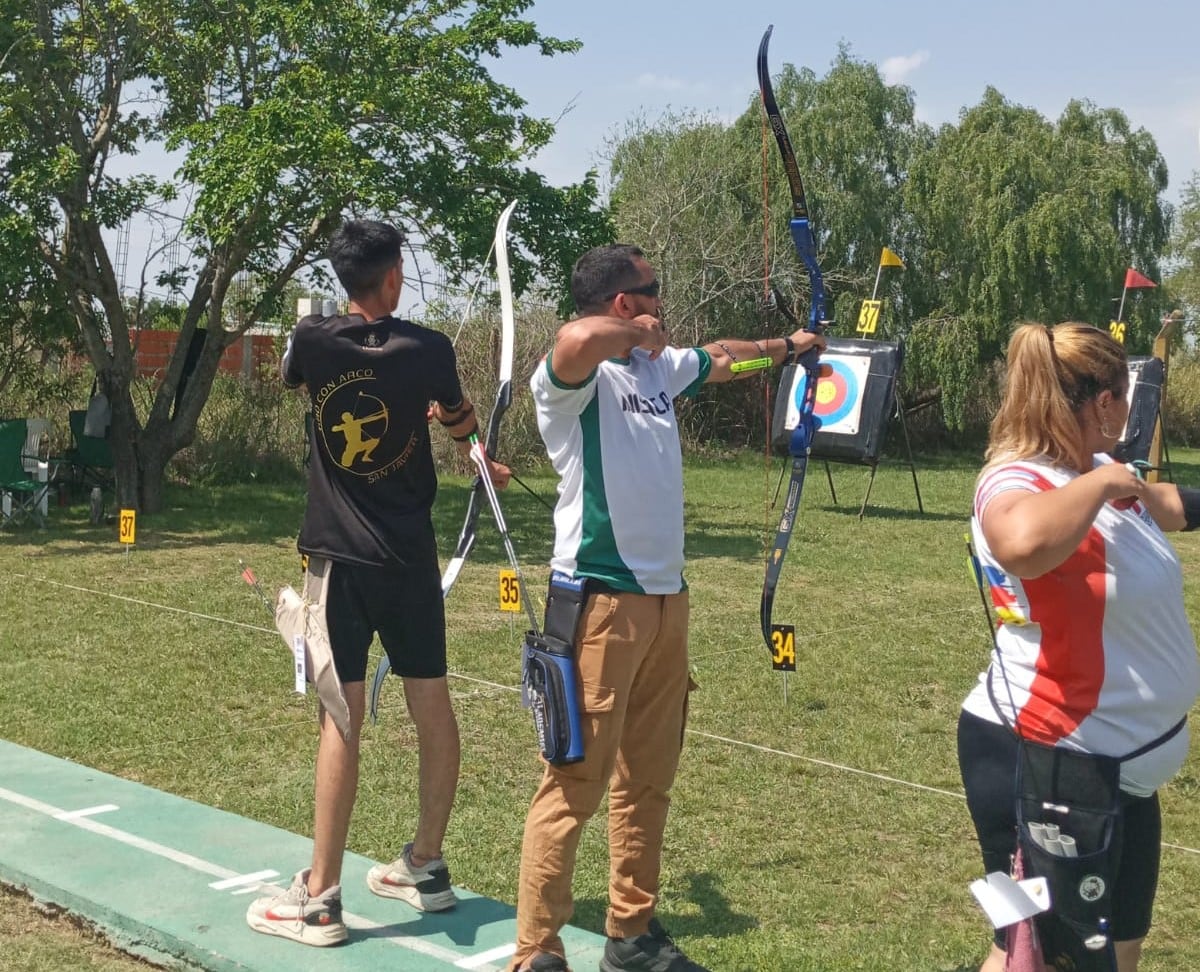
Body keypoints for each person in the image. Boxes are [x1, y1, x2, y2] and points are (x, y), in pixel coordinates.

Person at [508, 243, 827, 972]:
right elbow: (574, 338)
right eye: (654, 290)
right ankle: (536, 950)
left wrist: (788, 349)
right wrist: (640, 335)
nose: (663, 301)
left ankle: (631, 932)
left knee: (648, 778)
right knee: (573, 783)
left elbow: (721, 357)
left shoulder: (656, 368)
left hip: (663, 603)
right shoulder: (573, 380)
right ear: (624, 302)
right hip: (596, 601)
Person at [246, 219, 510, 947]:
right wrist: (465, 435)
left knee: (342, 717)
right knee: (431, 700)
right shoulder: (429, 349)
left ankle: (321, 898)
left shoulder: (314, 342)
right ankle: (424, 865)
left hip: (341, 563)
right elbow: (458, 419)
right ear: (392, 277)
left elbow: (297, 376)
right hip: (408, 558)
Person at [957, 322, 1200, 972]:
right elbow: (1022, 543)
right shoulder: (1015, 482)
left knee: (1113, 951)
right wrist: (1101, 486)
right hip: (1046, 762)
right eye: (1125, 396)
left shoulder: (1092, 470)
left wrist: (1114, 482)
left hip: (1117, 774)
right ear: (1104, 404)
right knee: (1045, 958)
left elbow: (1168, 506)